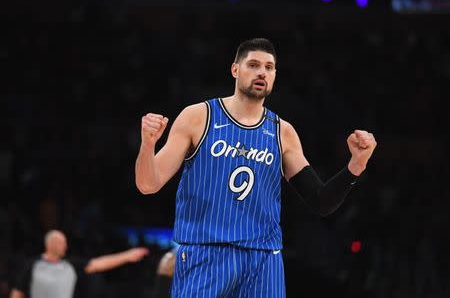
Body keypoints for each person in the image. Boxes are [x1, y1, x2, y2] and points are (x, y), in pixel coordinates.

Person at [135, 38, 377, 297]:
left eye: (269, 67)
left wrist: (356, 164)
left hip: (263, 260)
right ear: (235, 70)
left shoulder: (282, 132)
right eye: (253, 65)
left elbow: (321, 201)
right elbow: (148, 184)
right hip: (205, 253)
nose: (262, 72)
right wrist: (148, 145)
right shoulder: (198, 116)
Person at [10, 230, 149, 298]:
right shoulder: (33, 264)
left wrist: (126, 256)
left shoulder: (71, 265)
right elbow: (17, 292)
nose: (65, 245)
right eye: (61, 242)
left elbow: (98, 263)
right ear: (50, 244)